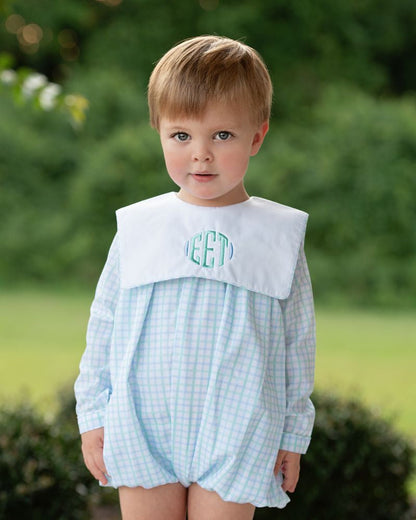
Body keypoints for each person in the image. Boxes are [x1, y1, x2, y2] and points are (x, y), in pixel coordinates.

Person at [74, 35, 316, 520]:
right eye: (181, 136)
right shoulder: (140, 228)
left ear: (256, 136)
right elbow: (104, 322)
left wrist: (293, 432)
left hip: (240, 427)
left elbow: (298, 340)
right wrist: (93, 414)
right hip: (144, 422)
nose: (200, 154)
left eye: (221, 136)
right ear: (159, 132)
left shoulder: (277, 235)